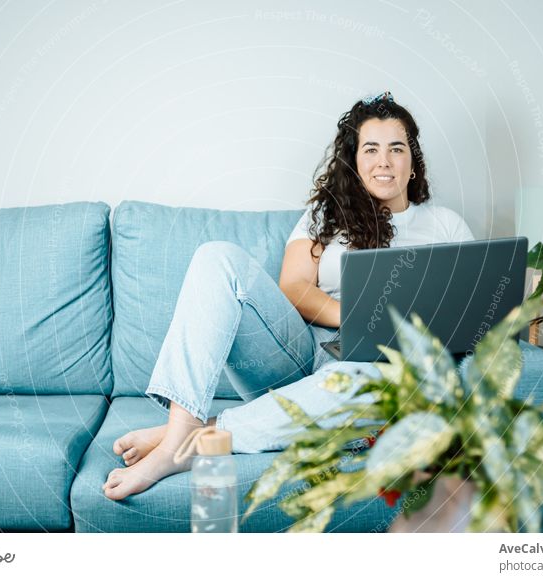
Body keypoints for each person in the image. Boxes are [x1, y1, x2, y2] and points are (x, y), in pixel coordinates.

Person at [103, 91, 474, 501]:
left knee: (378, 390)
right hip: (301, 352)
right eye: (371, 149)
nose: (383, 161)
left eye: (396, 149)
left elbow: (468, 307)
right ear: (355, 159)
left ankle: (191, 438)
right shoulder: (326, 215)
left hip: (377, 367)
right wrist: (360, 315)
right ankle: (182, 432)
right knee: (217, 258)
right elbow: (295, 289)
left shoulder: (446, 226)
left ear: (413, 161)